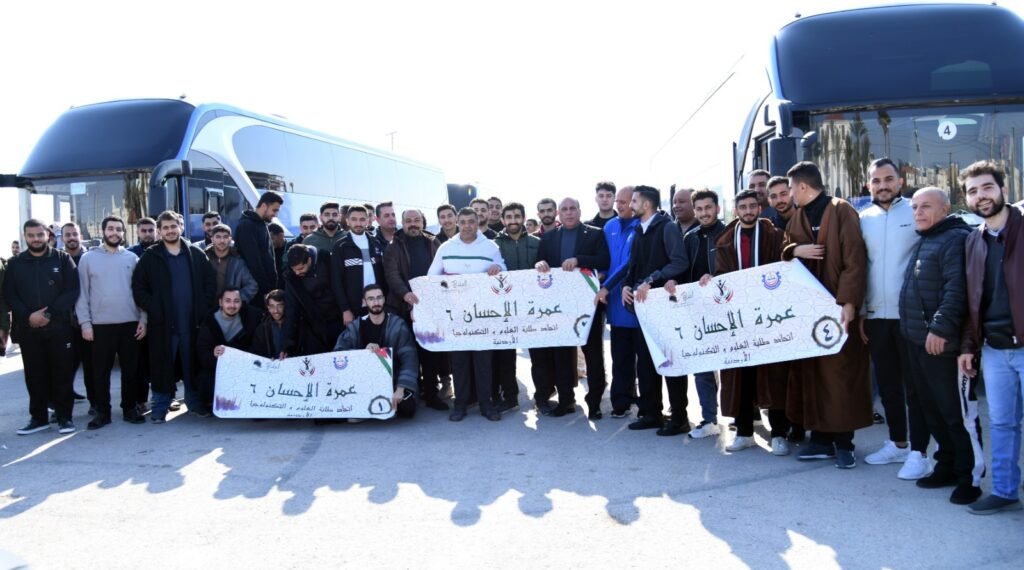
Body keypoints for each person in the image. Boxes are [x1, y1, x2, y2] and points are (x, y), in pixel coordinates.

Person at [781, 161, 871, 469]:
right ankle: (820, 439)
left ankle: (844, 443)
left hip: (838, 307)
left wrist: (849, 302)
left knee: (841, 374)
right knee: (813, 375)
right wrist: (794, 251)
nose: (789, 194)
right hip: (809, 310)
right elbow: (785, 251)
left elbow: (855, 259)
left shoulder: (841, 210)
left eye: (791, 188)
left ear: (802, 186)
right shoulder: (798, 217)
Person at [898, 187, 979, 504]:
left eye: (926, 206)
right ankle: (946, 465)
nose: (918, 212)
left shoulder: (955, 239)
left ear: (944, 209)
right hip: (917, 342)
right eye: (915, 207)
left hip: (940, 344)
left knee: (956, 414)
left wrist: (940, 329)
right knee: (933, 411)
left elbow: (957, 289)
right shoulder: (928, 238)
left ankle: (969, 477)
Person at [958, 160, 1024, 515]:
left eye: (987, 187)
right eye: (973, 191)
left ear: (1003, 190)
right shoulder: (974, 241)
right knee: (1001, 424)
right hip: (994, 349)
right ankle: (1004, 490)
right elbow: (974, 301)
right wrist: (969, 346)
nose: (981, 196)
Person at [858, 158, 928, 478]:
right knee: (888, 387)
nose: (883, 185)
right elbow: (861, 266)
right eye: (876, 180)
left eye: (888, 179)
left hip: (910, 316)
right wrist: (862, 310)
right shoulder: (862, 218)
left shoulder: (915, 212)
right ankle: (898, 443)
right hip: (876, 316)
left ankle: (919, 452)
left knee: (915, 387)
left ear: (900, 182)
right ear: (868, 184)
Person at [713, 190, 789, 453]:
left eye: (752, 206)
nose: (748, 211)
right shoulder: (725, 241)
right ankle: (744, 432)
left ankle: (779, 434)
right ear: (736, 211)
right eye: (743, 207)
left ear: (759, 208)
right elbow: (721, 276)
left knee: (774, 376)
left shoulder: (775, 236)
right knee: (741, 377)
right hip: (739, 320)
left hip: (770, 318)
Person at [616, 186, 690, 434]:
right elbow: (633, 267)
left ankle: (679, 418)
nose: (630, 205)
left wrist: (652, 280)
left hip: (665, 307)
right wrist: (626, 286)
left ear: (647, 204)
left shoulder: (667, 227)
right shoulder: (638, 230)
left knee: (670, 362)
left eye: (634, 201)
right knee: (646, 363)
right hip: (643, 309)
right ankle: (651, 414)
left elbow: (679, 262)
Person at [132, 210, 217, 423]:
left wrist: (203, 309)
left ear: (181, 227)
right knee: (162, 367)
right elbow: (139, 288)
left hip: (191, 323)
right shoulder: (150, 257)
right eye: (166, 228)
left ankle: (194, 403)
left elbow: (210, 284)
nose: (170, 231)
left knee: (192, 366)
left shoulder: (196, 254)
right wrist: (155, 308)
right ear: (159, 231)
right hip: (163, 325)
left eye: (173, 226)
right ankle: (160, 406)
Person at [427, 207, 506, 422]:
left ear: (478, 222)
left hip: (483, 315)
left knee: (484, 363)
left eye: (471, 221)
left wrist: (497, 268)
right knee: (459, 362)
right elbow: (432, 277)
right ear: (457, 223)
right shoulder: (446, 247)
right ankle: (460, 405)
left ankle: (486, 405)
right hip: (457, 316)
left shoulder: (490, 247)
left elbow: (504, 271)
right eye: (463, 222)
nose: (467, 226)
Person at [535, 198, 610, 419]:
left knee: (593, 355)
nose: (569, 213)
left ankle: (594, 403)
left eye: (572, 209)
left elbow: (604, 260)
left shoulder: (595, 234)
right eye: (565, 209)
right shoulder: (548, 238)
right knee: (562, 356)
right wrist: (539, 265)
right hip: (560, 307)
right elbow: (540, 263)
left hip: (589, 305)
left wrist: (579, 260)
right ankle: (566, 400)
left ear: (579, 211)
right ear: (559, 213)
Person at [6, 219, 80, 435]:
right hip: (28, 329)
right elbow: (10, 295)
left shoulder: (63, 259)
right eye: (31, 235)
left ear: (48, 235)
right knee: (34, 375)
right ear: (25, 237)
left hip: (59, 328)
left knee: (62, 374)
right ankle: (38, 419)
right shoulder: (15, 264)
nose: (36, 239)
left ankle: (65, 418)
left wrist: (48, 314)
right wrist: (28, 316)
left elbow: (72, 290)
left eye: (40, 235)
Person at [75, 215, 148, 429]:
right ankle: (102, 412)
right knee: (100, 373)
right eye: (111, 229)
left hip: (130, 323)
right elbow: (82, 294)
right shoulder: (88, 259)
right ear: (103, 231)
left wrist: (143, 319)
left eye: (118, 229)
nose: (115, 233)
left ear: (123, 233)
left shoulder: (131, 258)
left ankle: (129, 408)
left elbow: (140, 292)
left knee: (131, 371)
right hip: (100, 326)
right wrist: (85, 323)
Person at [382, 209, 448, 411]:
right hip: (402, 306)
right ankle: (411, 392)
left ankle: (431, 394)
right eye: (408, 220)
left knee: (430, 351)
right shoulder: (393, 246)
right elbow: (392, 275)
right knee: (408, 351)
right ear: (402, 223)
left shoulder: (433, 242)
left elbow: (443, 270)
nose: (413, 224)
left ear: (422, 222)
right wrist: (405, 294)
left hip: (429, 307)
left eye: (417, 220)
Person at [334, 284, 420, 419]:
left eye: (379, 298)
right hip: (362, 382)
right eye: (371, 299)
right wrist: (363, 353)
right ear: (364, 302)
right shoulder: (356, 326)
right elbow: (339, 354)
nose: (376, 303)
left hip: (392, 380)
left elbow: (409, 358)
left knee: (407, 408)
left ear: (384, 299)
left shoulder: (397, 325)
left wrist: (400, 389)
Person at [680, 189, 726, 437]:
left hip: (728, 310)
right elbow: (682, 269)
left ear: (717, 208)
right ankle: (709, 420)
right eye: (699, 209)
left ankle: (743, 417)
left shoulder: (729, 233)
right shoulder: (690, 238)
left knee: (734, 367)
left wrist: (716, 278)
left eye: (708, 208)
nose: (704, 213)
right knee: (702, 367)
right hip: (698, 312)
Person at [596, 186, 640, 418]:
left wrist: (607, 285)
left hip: (636, 302)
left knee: (643, 362)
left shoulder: (642, 226)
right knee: (620, 357)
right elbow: (605, 260)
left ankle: (646, 403)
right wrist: (601, 275)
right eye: (619, 202)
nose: (619, 206)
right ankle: (620, 402)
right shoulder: (610, 226)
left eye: (624, 201)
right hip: (615, 303)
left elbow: (628, 264)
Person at [493, 202, 541, 413]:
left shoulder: (537, 242)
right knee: (506, 355)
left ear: (523, 217)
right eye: (509, 217)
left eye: (517, 216)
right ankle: (510, 397)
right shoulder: (493, 245)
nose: (513, 221)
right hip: (505, 308)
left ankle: (542, 397)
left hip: (533, 307)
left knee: (538, 355)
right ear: (503, 220)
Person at [196, 287, 261, 416]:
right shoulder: (209, 322)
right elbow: (202, 354)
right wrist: (213, 353)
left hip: (244, 366)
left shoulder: (252, 316)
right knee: (204, 377)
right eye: (228, 301)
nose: (232, 305)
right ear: (220, 302)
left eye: (236, 301)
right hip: (218, 369)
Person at [332, 205, 386, 327]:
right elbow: (336, 281)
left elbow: (383, 276)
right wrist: (345, 309)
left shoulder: (376, 243)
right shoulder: (341, 246)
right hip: (354, 308)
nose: (358, 223)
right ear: (347, 221)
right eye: (354, 219)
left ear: (368, 220)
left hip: (377, 304)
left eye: (362, 219)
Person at [283, 244, 342, 356]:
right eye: (294, 270)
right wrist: (288, 345)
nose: (297, 273)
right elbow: (291, 311)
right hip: (313, 327)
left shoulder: (327, 260)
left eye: (301, 269)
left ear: (309, 260)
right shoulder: (291, 278)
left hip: (338, 319)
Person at [235, 191, 283, 308]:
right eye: (274, 210)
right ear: (264, 206)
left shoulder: (262, 224)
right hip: (256, 293)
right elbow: (253, 261)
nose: (275, 215)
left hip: (265, 290)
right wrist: (265, 289)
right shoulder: (247, 226)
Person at [62, 222, 92, 404]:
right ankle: (62, 400)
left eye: (75, 234)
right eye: (68, 235)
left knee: (90, 363)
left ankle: (95, 403)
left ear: (80, 236)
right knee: (65, 363)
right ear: (62, 238)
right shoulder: (58, 259)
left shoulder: (90, 258)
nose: (72, 238)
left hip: (88, 319)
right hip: (65, 321)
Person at [205, 224, 259, 304]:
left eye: (225, 237)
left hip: (230, 308)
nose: (222, 241)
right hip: (206, 305)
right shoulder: (204, 258)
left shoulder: (238, 261)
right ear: (212, 239)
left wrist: (235, 300)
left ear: (230, 239)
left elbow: (252, 285)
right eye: (218, 237)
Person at [251, 289, 287, 359]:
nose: (276, 311)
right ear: (268, 308)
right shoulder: (262, 329)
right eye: (272, 306)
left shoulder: (295, 325)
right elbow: (256, 353)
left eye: (280, 306)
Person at [269, 222, 287, 290]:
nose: (270, 242)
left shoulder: (290, 249)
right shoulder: (267, 251)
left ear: (281, 236)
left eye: (272, 238)